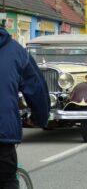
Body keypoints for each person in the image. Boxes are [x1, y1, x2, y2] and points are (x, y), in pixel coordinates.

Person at [0, 26, 50, 188]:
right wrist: (39, 118)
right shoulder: (16, 52)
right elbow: (37, 90)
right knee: (6, 181)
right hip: (3, 136)